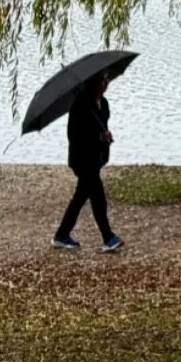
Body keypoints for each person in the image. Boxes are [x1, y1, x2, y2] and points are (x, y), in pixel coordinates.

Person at [52, 74, 124, 252]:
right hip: (82, 159)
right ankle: (108, 237)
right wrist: (98, 137)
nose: (106, 84)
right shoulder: (80, 105)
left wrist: (105, 137)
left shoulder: (103, 104)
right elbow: (74, 136)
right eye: (102, 81)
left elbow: (102, 126)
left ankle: (61, 235)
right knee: (98, 196)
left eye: (107, 80)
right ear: (93, 83)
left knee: (80, 197)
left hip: (96, 159)